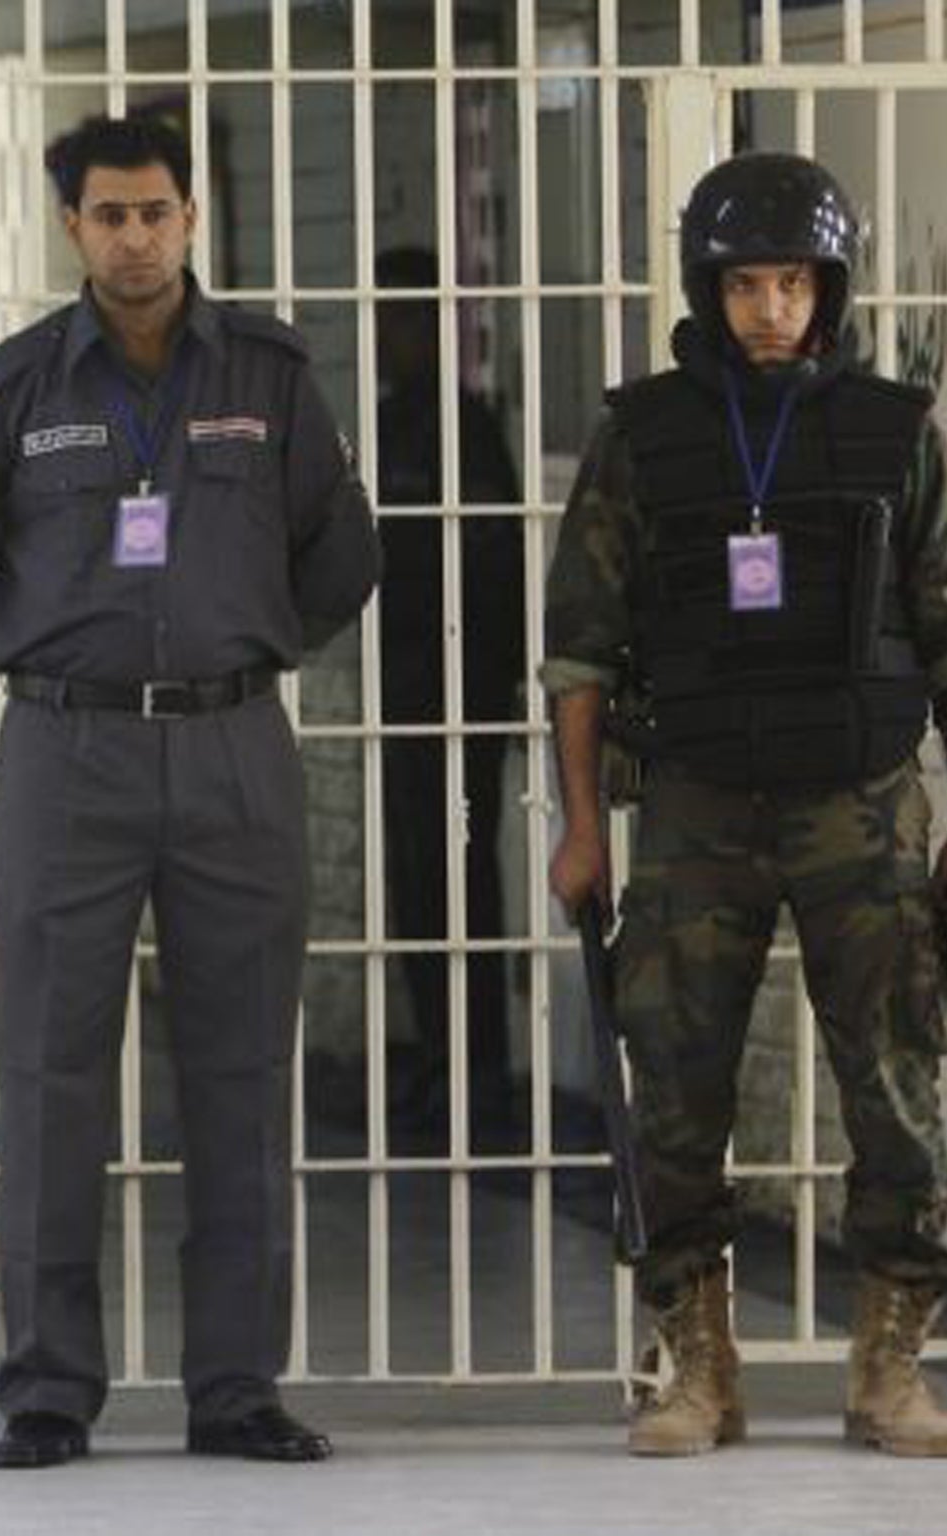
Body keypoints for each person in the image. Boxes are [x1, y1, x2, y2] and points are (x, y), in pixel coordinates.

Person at [0, 113, 379, 1470]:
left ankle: (236, 1389)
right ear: (72, 226)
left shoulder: (272, 375)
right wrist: (45, 648)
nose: (136, 237)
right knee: (51, 1074)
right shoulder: (15, 386)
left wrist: (234, 635)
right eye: (109, 215)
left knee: (241, 1074)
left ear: (194, 215)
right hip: (70, 756)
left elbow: (340, 554)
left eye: (158, 211)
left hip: (234, 750)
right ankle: (48, 1390)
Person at [541, 152, 947, 1459]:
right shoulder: (646, 440)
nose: (772, 308)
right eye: (747, 282)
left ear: (829, 286)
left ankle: (889, 1368)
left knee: (897, 1076)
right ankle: (699, 1366)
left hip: (863, 803)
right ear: (710, 286)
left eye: (794, 281)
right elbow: (580, 653)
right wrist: (582, 827)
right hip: (692, 800)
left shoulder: (899, 432)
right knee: (677, 1078)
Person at [367, 245, 524, 1150]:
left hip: (462, 692)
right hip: (406, 686)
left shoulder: (464, 429)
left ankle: (479, 1077)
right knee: (418, 882)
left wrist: (489, 689)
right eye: (385, 318)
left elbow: (496, 564)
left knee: (463, 880)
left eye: (406, 318)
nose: (392, 337)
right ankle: (438, 1063)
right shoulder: (392, 428)